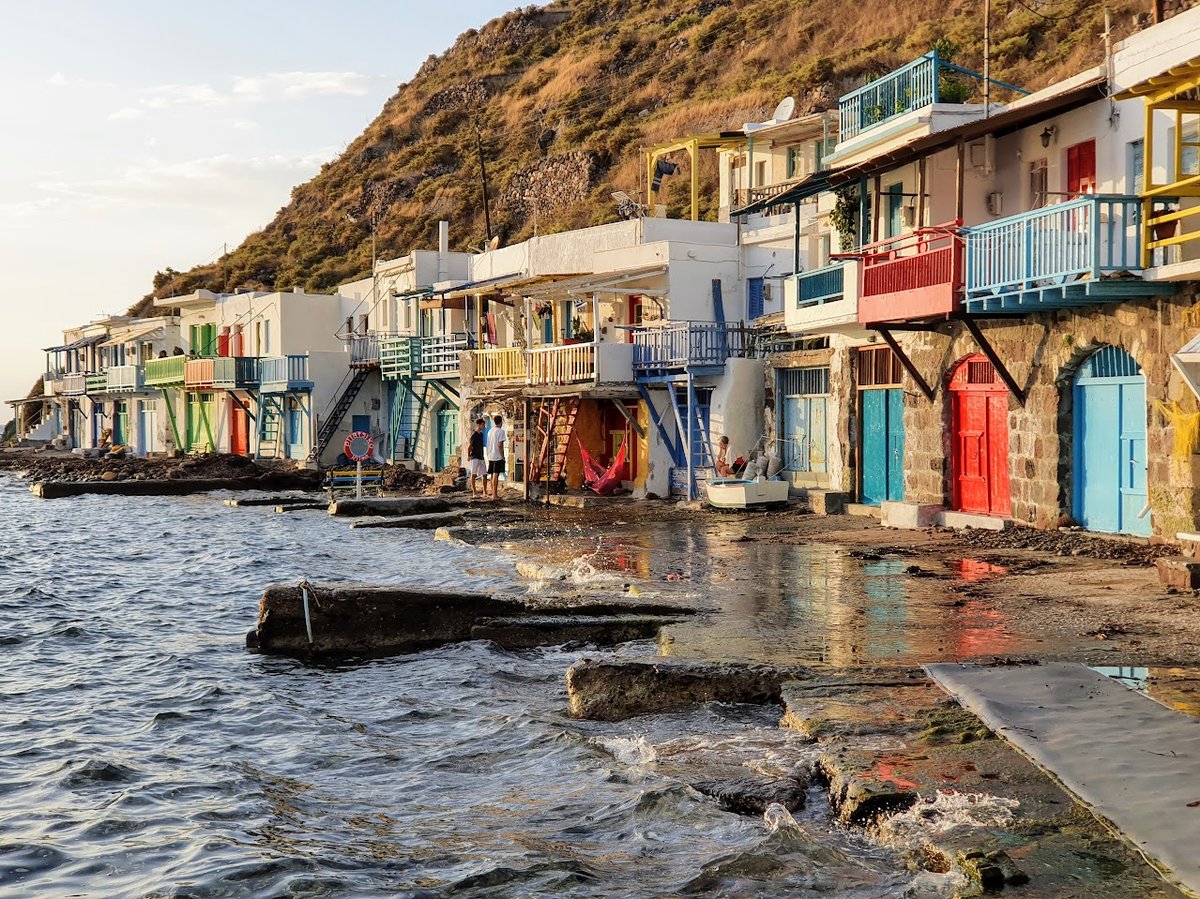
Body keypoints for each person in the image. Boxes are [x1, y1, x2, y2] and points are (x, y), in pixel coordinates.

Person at [484, 413, 507, 500]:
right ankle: (494, 494)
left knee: (492, 475)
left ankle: (492, 493)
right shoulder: (501, 431)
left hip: (490, 455)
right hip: (497, 455)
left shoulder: (490, 431)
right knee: (496, 474)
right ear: (501, 422)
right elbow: (500, 445)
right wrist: (503, 456)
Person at [467, 418, 487, 498]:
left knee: (484, 474)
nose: (484, 426)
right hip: (475, 457)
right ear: (478, 425)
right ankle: (474, 492)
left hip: (481, 457)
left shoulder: (481, 434)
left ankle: (484, 491)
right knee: (474, 474)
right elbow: (469, 447)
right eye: (482, 425)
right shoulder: (474, 435)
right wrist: (468, 455)